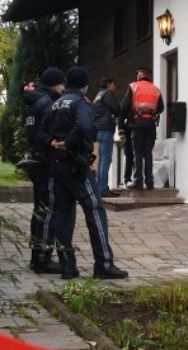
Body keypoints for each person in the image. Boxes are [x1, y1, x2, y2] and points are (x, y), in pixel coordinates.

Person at [47, 66, 128, 280]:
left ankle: (67, 266)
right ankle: (104, 264)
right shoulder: (80, 102)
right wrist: (69, 143)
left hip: (57, 165)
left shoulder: (56, 103)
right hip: (76, 165)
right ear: (84, 85)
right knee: (95, 210)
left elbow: (46, 128)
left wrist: (55, 143)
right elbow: (83, 125)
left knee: (62, 215)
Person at [24, 67, 66, 274]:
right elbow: (45, 134)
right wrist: (53, 142)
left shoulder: (35, 104)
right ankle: (43, 258)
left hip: (34, 160)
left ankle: (36, 256)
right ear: (55, 84)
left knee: (39, 210)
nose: (64, 88)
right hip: (45, 162)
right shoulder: (49, 104)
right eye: (62, 84)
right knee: (48, 210)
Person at [119, 67, 165, 190]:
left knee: (137, 152)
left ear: (139, 76)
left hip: (137, 124)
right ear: (148, 76)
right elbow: (161, 108)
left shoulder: (133, 87)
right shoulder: (156, 89)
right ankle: (149, 182)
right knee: (148, 152)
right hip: (150, 124)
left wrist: (122, 123)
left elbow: (124, 107)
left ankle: (138, 181)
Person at [91, 78, 121, 197]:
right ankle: (103, 188)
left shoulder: (97, 96)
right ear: (109, 84)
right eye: (114, 84)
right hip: (106, 130)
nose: (115, 87)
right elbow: (117, 109)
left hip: (97, 130)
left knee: (100, 160)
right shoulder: (107, 94)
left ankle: (98, 188)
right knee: (105, 160)